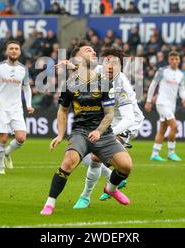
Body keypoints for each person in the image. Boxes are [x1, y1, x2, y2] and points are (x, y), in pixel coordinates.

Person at [40, 42, 133, 216]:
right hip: (80, 132)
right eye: (87, 50)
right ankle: (49, 203)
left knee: (126, 166)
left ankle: (111, 189)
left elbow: (109, 114)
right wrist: (60, 135)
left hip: (103, 133)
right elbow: (63, 110)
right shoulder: (69, 84)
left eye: (93, 49)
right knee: (68, 162)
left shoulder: (104, 81)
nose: (93, 51)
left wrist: (99, 131)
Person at [73, 48, 144, 209]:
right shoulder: (98, 70)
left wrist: (103, 133)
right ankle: (114, 181)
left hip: (128, 123)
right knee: (85, 156)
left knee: (95, 157)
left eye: (114, 63)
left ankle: (85, 196)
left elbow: (128, 119)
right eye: (107, 62)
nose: (109, 66)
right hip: (108, 119)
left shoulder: (123, 86)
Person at [0, 40, 34, 175]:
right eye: (11, 48)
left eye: (16, 49)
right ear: (7, 51)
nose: (14, 51)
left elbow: (27, 88)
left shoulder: (23, 69)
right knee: (3, 139)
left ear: (19, 52)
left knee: (21, 138)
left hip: (16, 108)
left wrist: (29, 105)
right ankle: (1, 166)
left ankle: (7, 153)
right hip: (1, 107)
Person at [145, 51, 185, 162]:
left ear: (179, 60)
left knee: (163, 129)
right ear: (169, 60)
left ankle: (154, 154)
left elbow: (182, 89)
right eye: (172, 59)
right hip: (162, 103)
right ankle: (171, 152)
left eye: (176, 59)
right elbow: (153, 85)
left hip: (172, 105)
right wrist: (149, 101)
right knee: (174, 126)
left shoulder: (181, 75)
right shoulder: (162, 71)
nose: (174, 61)